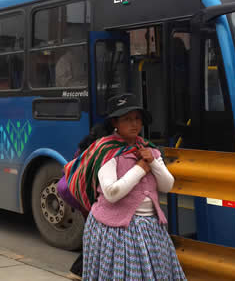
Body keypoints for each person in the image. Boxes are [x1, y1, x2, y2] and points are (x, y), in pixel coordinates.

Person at [63, 93, 185, 280]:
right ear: (115, 123)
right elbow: (111, 193)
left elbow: (167, 185)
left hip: (151, 229)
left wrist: (152, 162)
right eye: (127, 119)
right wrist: (139, 169)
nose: (134, 124)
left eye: (137, 118)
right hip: (116, 231)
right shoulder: (106, 151)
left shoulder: (148, 149)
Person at [59, 122, 113, 280]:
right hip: (89, 198)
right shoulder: (100, 152)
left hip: (78, 196)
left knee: (93, 235)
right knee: (98, 236)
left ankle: (80, 271)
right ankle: (78, 271)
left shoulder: (83, 149)